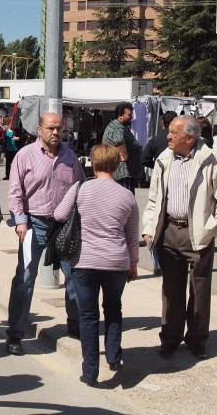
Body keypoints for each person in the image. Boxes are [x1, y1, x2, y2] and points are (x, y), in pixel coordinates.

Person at [53, 144, 139, 385]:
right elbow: (132, 236)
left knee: (89, 317)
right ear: (117, 165)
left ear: (93, 163)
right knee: (113, 308)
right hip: (116, 262)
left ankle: (90, 371)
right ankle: (113, 356)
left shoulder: (80, 189)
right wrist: (133, 264)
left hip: (84, 261)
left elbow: (59, 215)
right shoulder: (127, 195)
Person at [142, 115, 217, 360]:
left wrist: (211, 228)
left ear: (190, 138)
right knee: (171, 289)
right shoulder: (164, 160)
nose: (168, 136)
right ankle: (170, 338)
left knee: (199, 289)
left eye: (173, 133)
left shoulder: (212, 159)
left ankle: (197, 339)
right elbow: (154, 199)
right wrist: (149, 228)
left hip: (198, 233)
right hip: (169, 232)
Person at [6, 113, 85, 356]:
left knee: (74, 276)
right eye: (51, 128)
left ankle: (76, 326)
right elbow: (15, 191)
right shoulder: (25, 155)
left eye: (59, 129)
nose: (55, 133)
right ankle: (16, 335)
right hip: (33, 225)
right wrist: (20, 222)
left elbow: (81, 187)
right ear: (39, 129)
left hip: (63, 226)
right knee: (25, 278)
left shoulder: (70, 157)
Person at [102, 102, 142, 194]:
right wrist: (125, 155)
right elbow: (119, 143)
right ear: (120, 115)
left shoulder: (119, 127)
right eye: (129, 115)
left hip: (123, 174)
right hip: (122, 174)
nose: (131, 117)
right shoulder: (118, 128)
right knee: (125, 201)